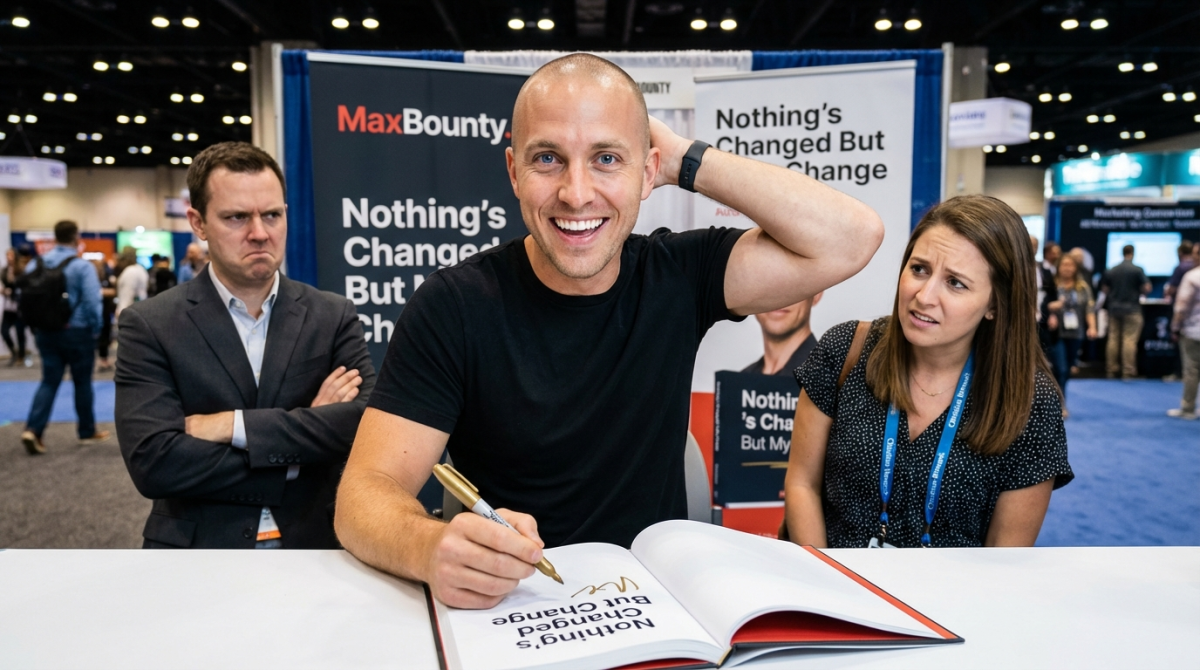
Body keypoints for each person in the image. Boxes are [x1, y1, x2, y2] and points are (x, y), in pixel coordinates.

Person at [334, 53, 884, 609]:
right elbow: (363, 495)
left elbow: (852, 237)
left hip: (656, 605)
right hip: (517, 607)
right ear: (513, 173)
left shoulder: (679, 274)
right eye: (547, 158)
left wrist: (685, 161)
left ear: (648, 173)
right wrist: (428, 545)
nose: (576, 193)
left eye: (606, 159)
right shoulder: (454, 306)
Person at [115, 141, 376, 548]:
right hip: (198, 548)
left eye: (272, 215)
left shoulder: (332, 315)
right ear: (198, 223)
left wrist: (229, 425)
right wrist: (303, 438)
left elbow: (363, 425)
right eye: (236, 217)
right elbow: (155, 463)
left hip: (316, 543)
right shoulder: (150, 325)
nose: (259, 233)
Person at [783, 195, 1073, 549]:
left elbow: (1006, 554)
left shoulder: (1029, 402)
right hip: (834, 591)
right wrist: (828, 586)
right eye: (919, 269)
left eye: (955, 283)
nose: (924, 295)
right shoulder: (847, 350)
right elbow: (801, 485)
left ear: (995, 304)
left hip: (950, 601)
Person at [20, 220, 109, 455]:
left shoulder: (35, 264)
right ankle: (86, 431)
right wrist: (97, 329)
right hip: (77, 332)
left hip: (45, 331)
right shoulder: (81, 266)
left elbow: (24, 296)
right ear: (76, 237)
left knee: (49, 381)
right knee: (82, 382)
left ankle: (33, 429)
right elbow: (92, 302)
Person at [1047, 253, 1096, 415]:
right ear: (1058, 267)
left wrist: (1092, 327)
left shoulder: (1082, 287)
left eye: (1071, 265)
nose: (1067, 268)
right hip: (1056, 333)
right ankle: (1059, 404)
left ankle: (1061, 399)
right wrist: (1051, 309)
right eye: (1064, 265)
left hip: (1076, 332)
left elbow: (1089, 308)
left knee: (1067, 369)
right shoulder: (1052, 285)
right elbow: (1041, 305)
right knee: (1059, 368)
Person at [742, 293, 824, 376]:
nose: (777, 297)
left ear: (816, 294)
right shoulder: (740, 382)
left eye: (793, 285)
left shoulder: (830, 379)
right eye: (767, 284)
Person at [1101, 245, 1151, 379]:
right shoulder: (1137, 270)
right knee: (1129, 340)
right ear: (1132, 253)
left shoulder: (1112, 270)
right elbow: (1147, 287)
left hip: (1114, 309)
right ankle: (1127, 370)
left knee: (1113, 338)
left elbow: (1104, 289)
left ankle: (1111, 369)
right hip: (1132, 309)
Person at [1168, 264, 1200, 420]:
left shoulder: (1192, 277)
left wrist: (1175, 327)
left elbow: (1181, 307)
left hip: (1193, 331)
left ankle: (1188, 408)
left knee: (1192, 370)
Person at [2, 246, 30, 366]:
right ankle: (14, 353)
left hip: (20, 306)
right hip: (8, 306)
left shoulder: (23, 270)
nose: (9, 258)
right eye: (7, 255)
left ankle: (21, 356)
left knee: (20, 332)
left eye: (11, 255)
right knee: (4, 331)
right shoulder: (3, 271)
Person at [93, 259, 117, 372]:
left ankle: (104, 360)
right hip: (95, 314)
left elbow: (113, 291)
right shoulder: (91, 280)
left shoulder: (106, 278)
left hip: (106, 313)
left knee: (106, 336)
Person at [115, 246, 148, 316]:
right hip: (139, 312)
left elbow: (127, 298)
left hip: (130, 315)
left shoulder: (130, 271)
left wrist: (120, 315)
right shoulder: (140, 269)